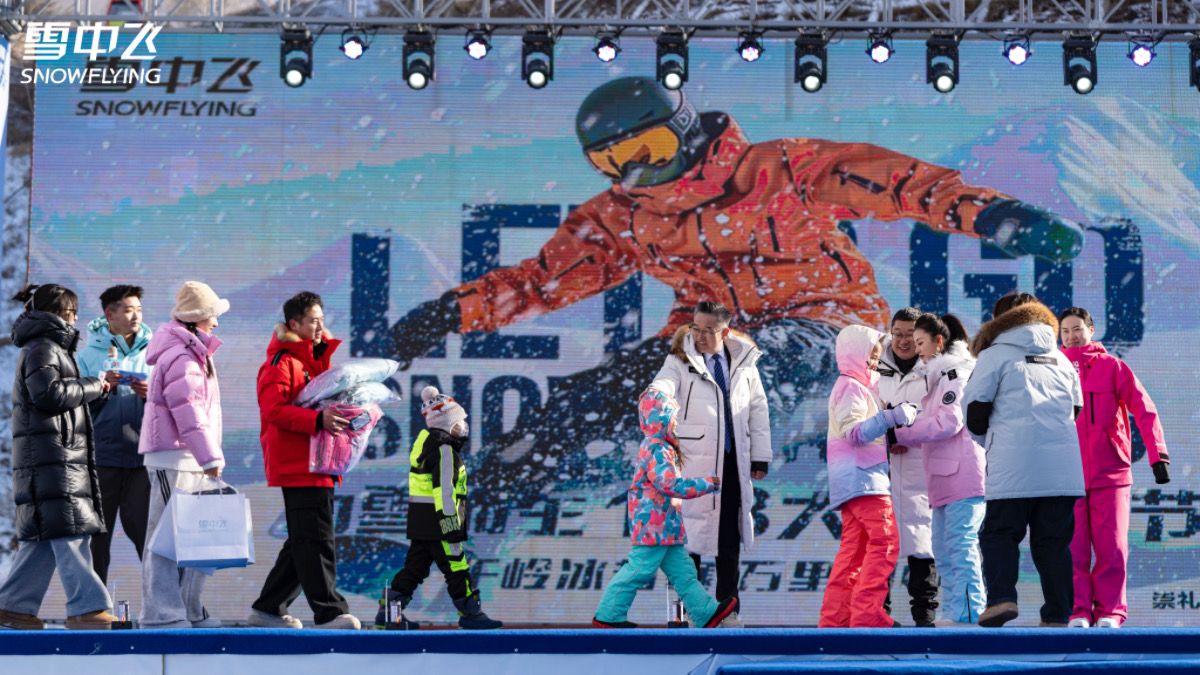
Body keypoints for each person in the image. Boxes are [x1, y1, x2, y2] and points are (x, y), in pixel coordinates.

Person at [386, 76, 1086, 514]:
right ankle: (472, 512)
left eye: (648, 148)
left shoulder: (778, 169)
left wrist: (993, 215)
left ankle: (718, 460)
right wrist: (445, 315)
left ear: (683, 130)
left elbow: (898, 183)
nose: (636, 170)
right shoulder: (624, 212)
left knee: (736, 369)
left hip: (822, 322)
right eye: (612, 160)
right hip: (704, 334)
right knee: (587, 400)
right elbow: (542, 280)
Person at [963, 292, 1084, 628]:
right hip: (1061, 469)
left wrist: (993, 438)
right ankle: (1058, 613)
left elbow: (975, 413)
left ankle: (1002, 599)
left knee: (999, 534)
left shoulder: (994, 355)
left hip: (1012, 464)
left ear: (999, 321)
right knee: (1053, 543)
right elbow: (1075, 410)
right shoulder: (1061, 358)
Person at [0, 283, 116, 630]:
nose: (75, 319)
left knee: (46, 536)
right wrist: (93, 385)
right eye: (71, 312)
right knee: (71, 530)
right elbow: (48, 395)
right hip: (53, 460)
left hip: (52, 458)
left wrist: (94, 390)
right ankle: (88, 608)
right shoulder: (43, 349)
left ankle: (12, 608)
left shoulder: (45, 348)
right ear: (58, 314)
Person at [646, 301, 771, 621]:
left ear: (725, 332)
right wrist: (656, 394)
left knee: (729, 542)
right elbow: (663, 383)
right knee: (688, 543)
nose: (699, 336)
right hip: (692, 465)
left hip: (732, 463)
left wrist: (760, 455)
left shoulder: (744, 362)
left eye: (708, 330)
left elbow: (758, 410)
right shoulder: (679, 360)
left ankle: (728, 612)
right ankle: (688, 614)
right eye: (695, 328)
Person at [249, 292, 360, 630]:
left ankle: (268, 609)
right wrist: (317, 420)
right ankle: (329, 612)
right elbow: (274, 411)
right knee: (315, 539)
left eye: (322, 319)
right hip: (299, 464)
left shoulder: (312, 360)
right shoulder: (280, 363)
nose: (319, 326)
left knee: (303, 539)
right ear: (294, 324)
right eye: (313, 320)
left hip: (318, 461)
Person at [1059, 307, 1170, 628]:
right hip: (1066, 474)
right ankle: (1078, 610)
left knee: (1113, 547)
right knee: (1073, 549)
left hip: (1111, 472)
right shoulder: (1053, 370)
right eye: (1065, 331)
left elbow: (1144, 409)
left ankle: (1111, 610)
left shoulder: (1112, 366)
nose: (1071, 336)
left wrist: (1158, 456)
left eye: (1077, 329)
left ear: (1091, 330)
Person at [593, 389, 738, 629]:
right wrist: (707, 484)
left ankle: (705, 613)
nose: (676, 424)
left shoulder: (657, 447)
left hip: (664, 528)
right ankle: (608, 615)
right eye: (673, 418)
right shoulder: (657, 449)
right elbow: (669, 484)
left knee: (684, 572)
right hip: (654, 527)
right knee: (639, 570)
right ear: (662, 419)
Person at [138, 281, 229, 628]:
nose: (216, 322)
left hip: (191, 458)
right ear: (195, 319)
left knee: (196, 537)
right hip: (174, 458)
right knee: (166, 538)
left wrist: (207, 457)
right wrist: (210, 457)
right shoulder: (182, 356)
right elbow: (187, 411)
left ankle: (188, 608)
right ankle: (161, 612)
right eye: (211, 315)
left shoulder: (193, 353)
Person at [377, 386, 502, 630]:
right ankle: (471, 613)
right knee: (456, 566)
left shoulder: (428, 445)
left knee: (414, 569)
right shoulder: (444, 449)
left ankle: (390, 614)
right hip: (440, 522)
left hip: (422, 522)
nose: (463, 427)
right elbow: (444, 490)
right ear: (446, 423)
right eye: (458, 422)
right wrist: (450, 523)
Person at [818, 325, 916, 628]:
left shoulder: (853, 386)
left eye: (876, 357)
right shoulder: (852, 387)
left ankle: (836, 619)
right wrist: (892, 417)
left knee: (854, 551)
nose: (874, 363)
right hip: (865, 481)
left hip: (853, 481)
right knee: (886, 541)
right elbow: (855, 433)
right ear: (854, 354)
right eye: (870, 357)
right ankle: (867, 613)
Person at [894, 313, 986, 626]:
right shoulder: (936, 379)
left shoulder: (955, 374)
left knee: (961, 545)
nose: (917, 349)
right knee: (943, 550)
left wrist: (900, 432)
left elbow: (948, 422)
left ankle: (971, 613)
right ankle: (955, 611)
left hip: (963, 475)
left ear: (939, 341)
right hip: (942, 478)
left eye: (920, 342)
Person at [76, 284, 153, 585]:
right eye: (129, 310)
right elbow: (72, 406)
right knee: (96, 541)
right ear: (110, 314)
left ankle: (163, 605)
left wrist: (151, 395)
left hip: (142, 460)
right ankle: (94, 605)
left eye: (139, 310)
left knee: (149, 538)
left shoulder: (154, 353)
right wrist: (101, 387)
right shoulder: (86, 356)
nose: (136, 316)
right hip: (100, 460)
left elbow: (173, 401)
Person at [876, 306, 938, 626]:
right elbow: (861, 414)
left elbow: (941, 416)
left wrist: (902, 432)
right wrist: (887, 435)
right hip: (880, 468)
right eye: (897, 334)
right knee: (880, 543)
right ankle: (878, 614)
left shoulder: (935, 369)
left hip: (920, 466)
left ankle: (925, 617)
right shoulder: (873, 366)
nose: (902, 341)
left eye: (910, 335)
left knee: (921, 542)